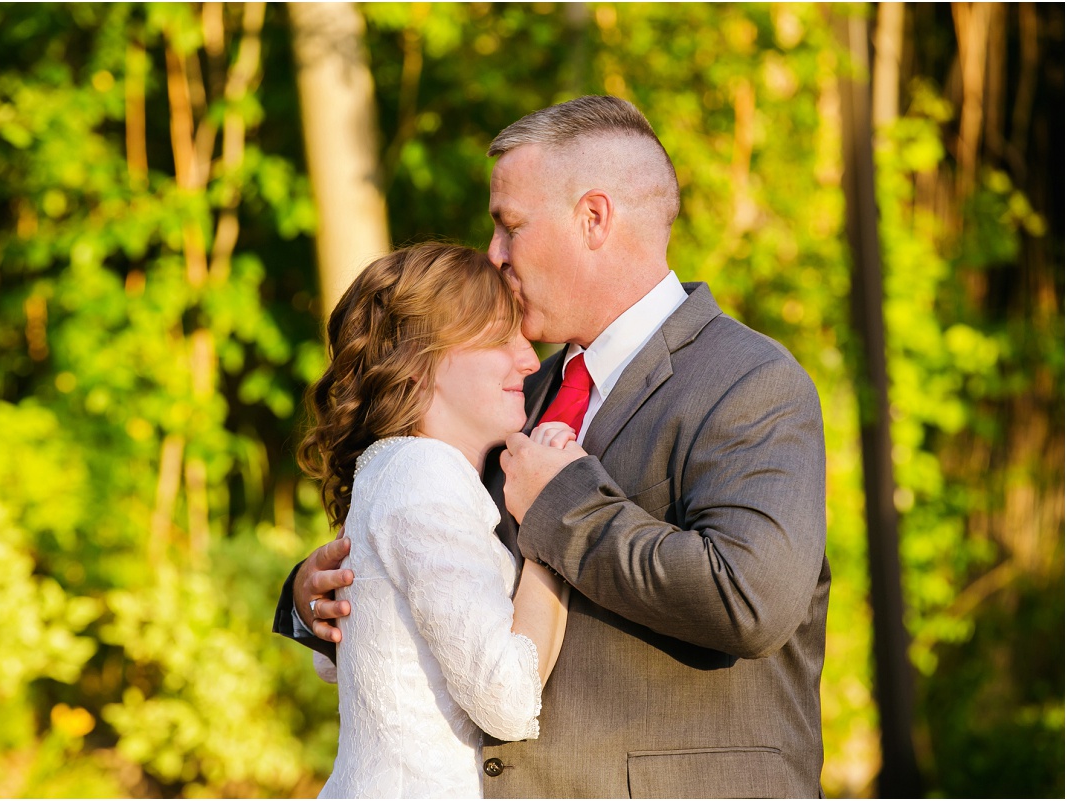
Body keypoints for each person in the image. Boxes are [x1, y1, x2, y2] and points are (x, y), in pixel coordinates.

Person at [275, 96, 830, 798]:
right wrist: (313, 600)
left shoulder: (750, 382)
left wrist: (564, 506)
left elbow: (750, 598)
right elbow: (444, 568)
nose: (494, 254)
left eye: (509, 226)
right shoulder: (514, 398)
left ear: (593, 219)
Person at [293, 242, 572, 798]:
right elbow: (509, 700)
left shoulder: (392, 469)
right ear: (419, 365)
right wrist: (552, 518)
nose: (530, 359)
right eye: (500, 337)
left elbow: (351, 658)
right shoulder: (424, 477)